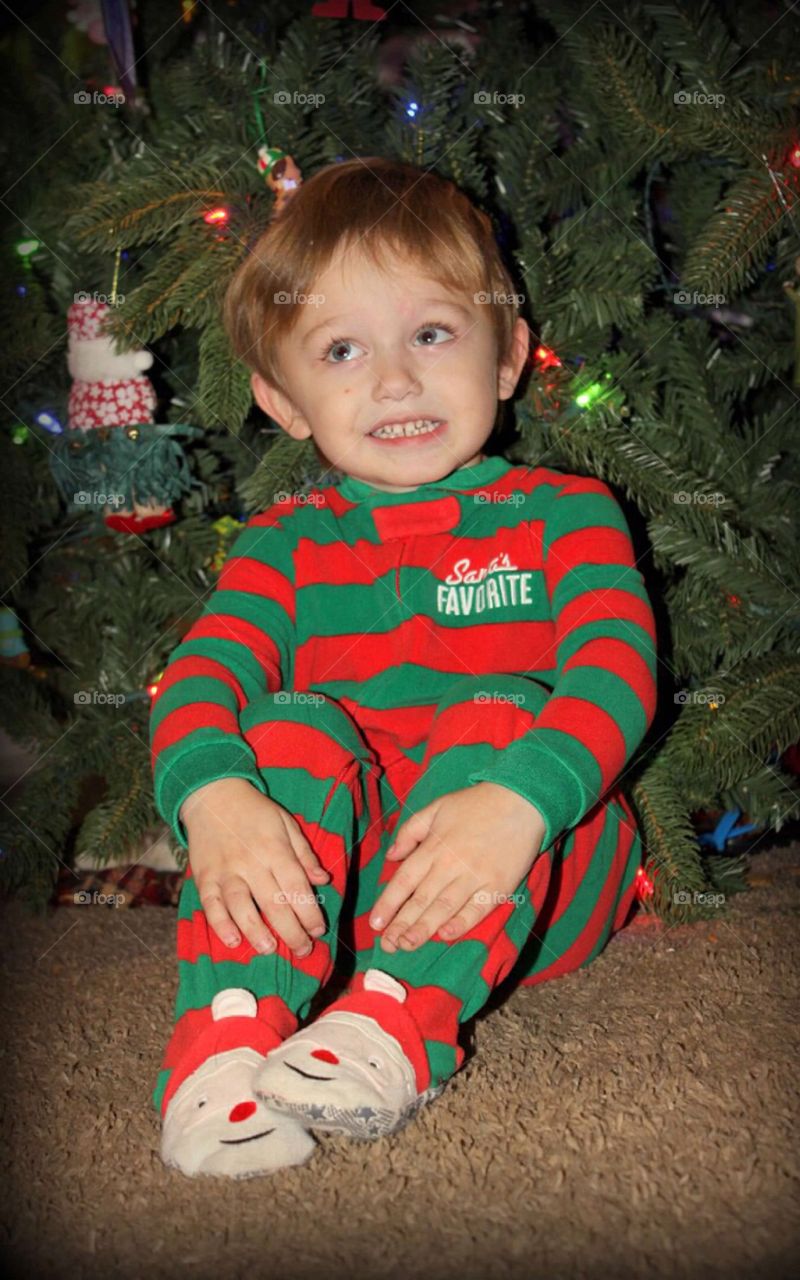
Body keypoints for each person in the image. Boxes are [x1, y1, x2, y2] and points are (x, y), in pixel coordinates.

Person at [148, 156, 658, 1180]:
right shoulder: (280, 548)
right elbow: (201, 679)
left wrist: (516, 804)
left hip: (544, 864)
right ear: (282, 399)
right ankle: (230, 1034)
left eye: (432, 333)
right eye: (341, 349)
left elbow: (614, 673)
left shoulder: (564, 515)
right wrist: (214, 799)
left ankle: (397, 1016)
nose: (394, 380)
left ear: (508, 353)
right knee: (280, 731)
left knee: (498, 712)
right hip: (356, 889)